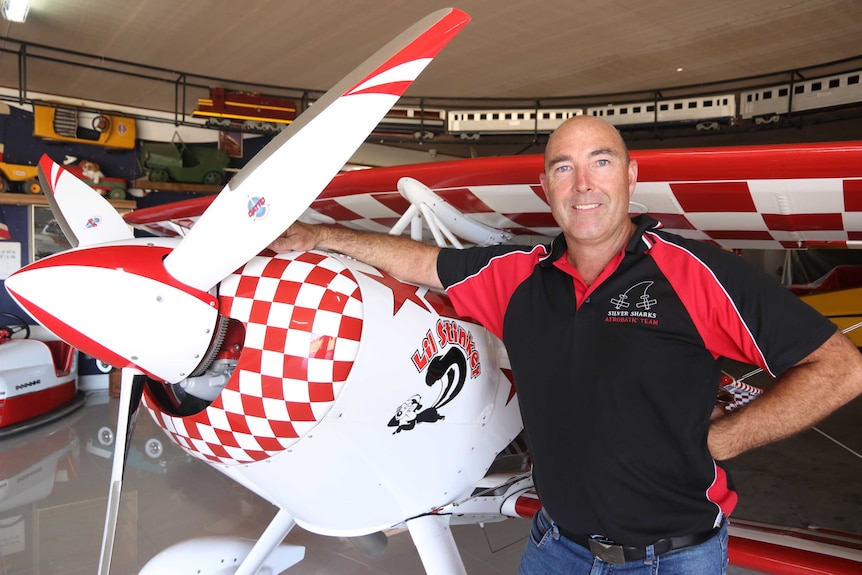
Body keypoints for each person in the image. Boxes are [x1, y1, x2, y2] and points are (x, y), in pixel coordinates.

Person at [269, 116, 862, 574]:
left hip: (672, 557)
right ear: (547, 185)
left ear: (630, 178)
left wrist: (725, 437)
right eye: (563, 168)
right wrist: (321, 235)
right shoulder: (516, 273)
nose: (583, 185)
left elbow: (840, 367)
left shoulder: (694, 271)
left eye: (601, 163)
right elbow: (425, 261)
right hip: (556, 548)